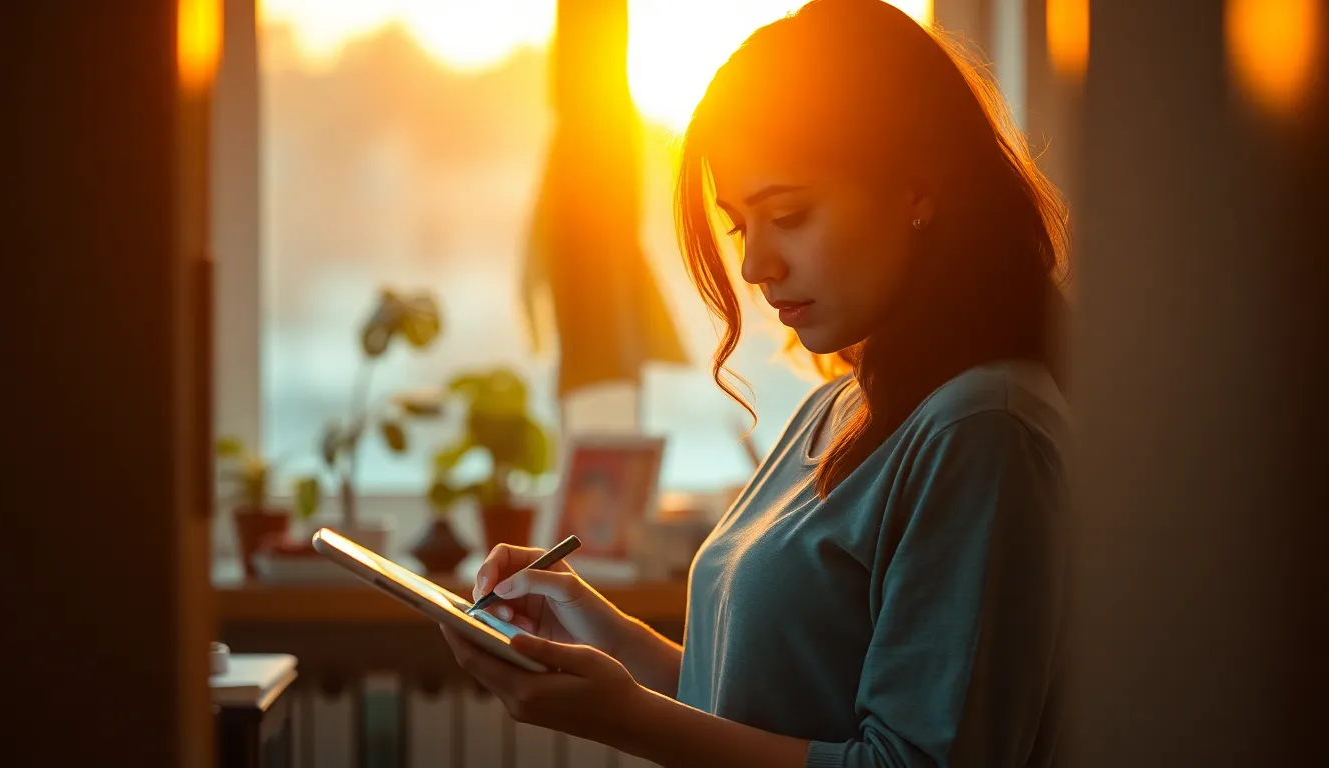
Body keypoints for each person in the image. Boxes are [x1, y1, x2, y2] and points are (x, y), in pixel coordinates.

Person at [440, 1, 1072, 765]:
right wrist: (597, 629)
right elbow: (755, 703)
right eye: (741, 225)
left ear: (917, 187)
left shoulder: (982, 428)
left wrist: (626, 721)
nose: (753, 266)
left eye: (791, 214)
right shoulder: (839, 406)